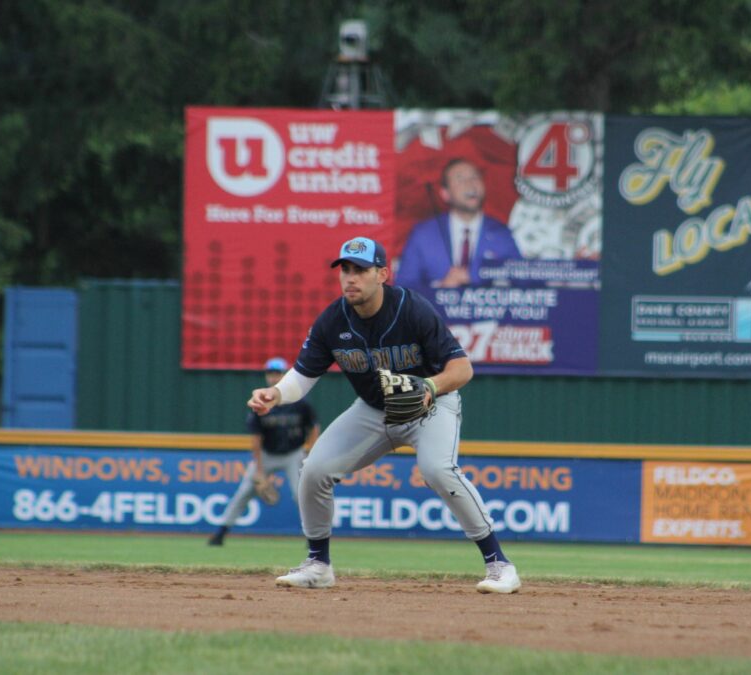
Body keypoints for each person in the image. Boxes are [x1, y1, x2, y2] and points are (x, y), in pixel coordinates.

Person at [247, 236, 521, 594]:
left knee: (439, 470)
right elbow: (303, 375)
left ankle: (499, 564)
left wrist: (430, 387)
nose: (350, 278)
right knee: (314, 470)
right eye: (345, 270)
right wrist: (277, 393)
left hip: (430, 405)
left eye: (360, 270)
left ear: (383, 274)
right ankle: (318, 565)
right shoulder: (333, 320)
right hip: (373, 411)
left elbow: (462, 369)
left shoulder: (412, 308)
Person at [209, 356, 319, 547]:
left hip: (293, 454)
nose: (273, 377)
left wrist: (311, 453)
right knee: (244, 492)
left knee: (301, 494)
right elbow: (256, 440)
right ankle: (220, 533)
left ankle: (313, 538)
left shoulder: (299, 401)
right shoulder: (260, 402)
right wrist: (259, 470)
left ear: (284, 375)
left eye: (277, 373)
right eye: (270, 373)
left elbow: (314, 427)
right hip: (267, 455)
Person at [395, 158, 522, 296]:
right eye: (460, 179)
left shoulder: (501, 234)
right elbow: (402, 291)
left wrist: (477, 275)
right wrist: (440, 288)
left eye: (475, 177)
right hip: (438, 316)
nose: (470, 184)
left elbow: (524, 284)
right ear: (445, 194)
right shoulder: (423, 234)